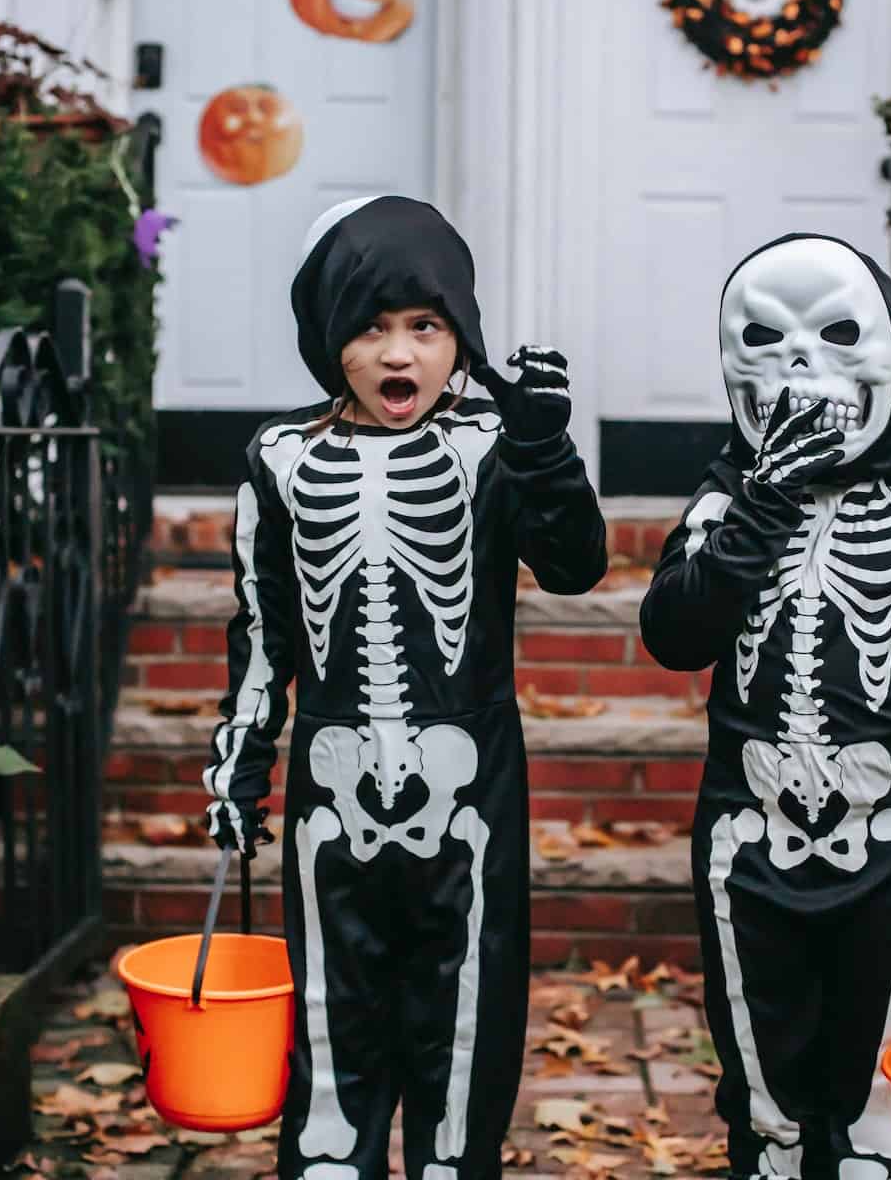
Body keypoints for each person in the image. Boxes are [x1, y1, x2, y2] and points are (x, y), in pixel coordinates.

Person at [200, 195, 607, 1180]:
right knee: (333, 1047)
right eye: (370, 328)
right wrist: (239, 759)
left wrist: (547, 451)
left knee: (464, 1039)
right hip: (329, 800)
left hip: (470, 799)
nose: (400, 356)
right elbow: (264, 634)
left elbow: (575, 565)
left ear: (459, 335)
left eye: (425, 328)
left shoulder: (494, 448)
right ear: (326, 339)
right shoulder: (280, 461)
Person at [639, 233, 891, 1180]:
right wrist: (764, 499)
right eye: (766, 342)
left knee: (880, 1098)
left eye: (835, 338)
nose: (800, 368)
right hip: (747, 836)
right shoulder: (728, 497)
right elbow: (675, 633)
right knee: (763, 1096)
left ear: (888, 351)